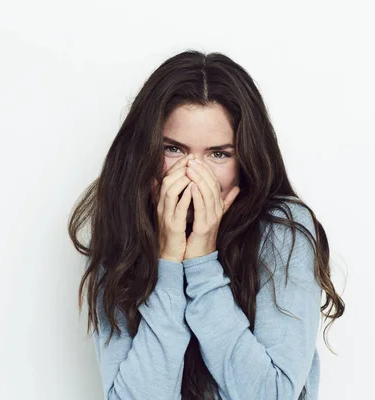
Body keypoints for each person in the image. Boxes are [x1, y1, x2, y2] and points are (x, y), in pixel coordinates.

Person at [67, 50, 344, 400]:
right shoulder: (122, 231)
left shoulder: (282, 231)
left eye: (218, 154)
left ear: (244, 159)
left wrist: (201, 264)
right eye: (174, 150)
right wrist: (168, 262)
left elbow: (272, 395)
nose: (192, 174)